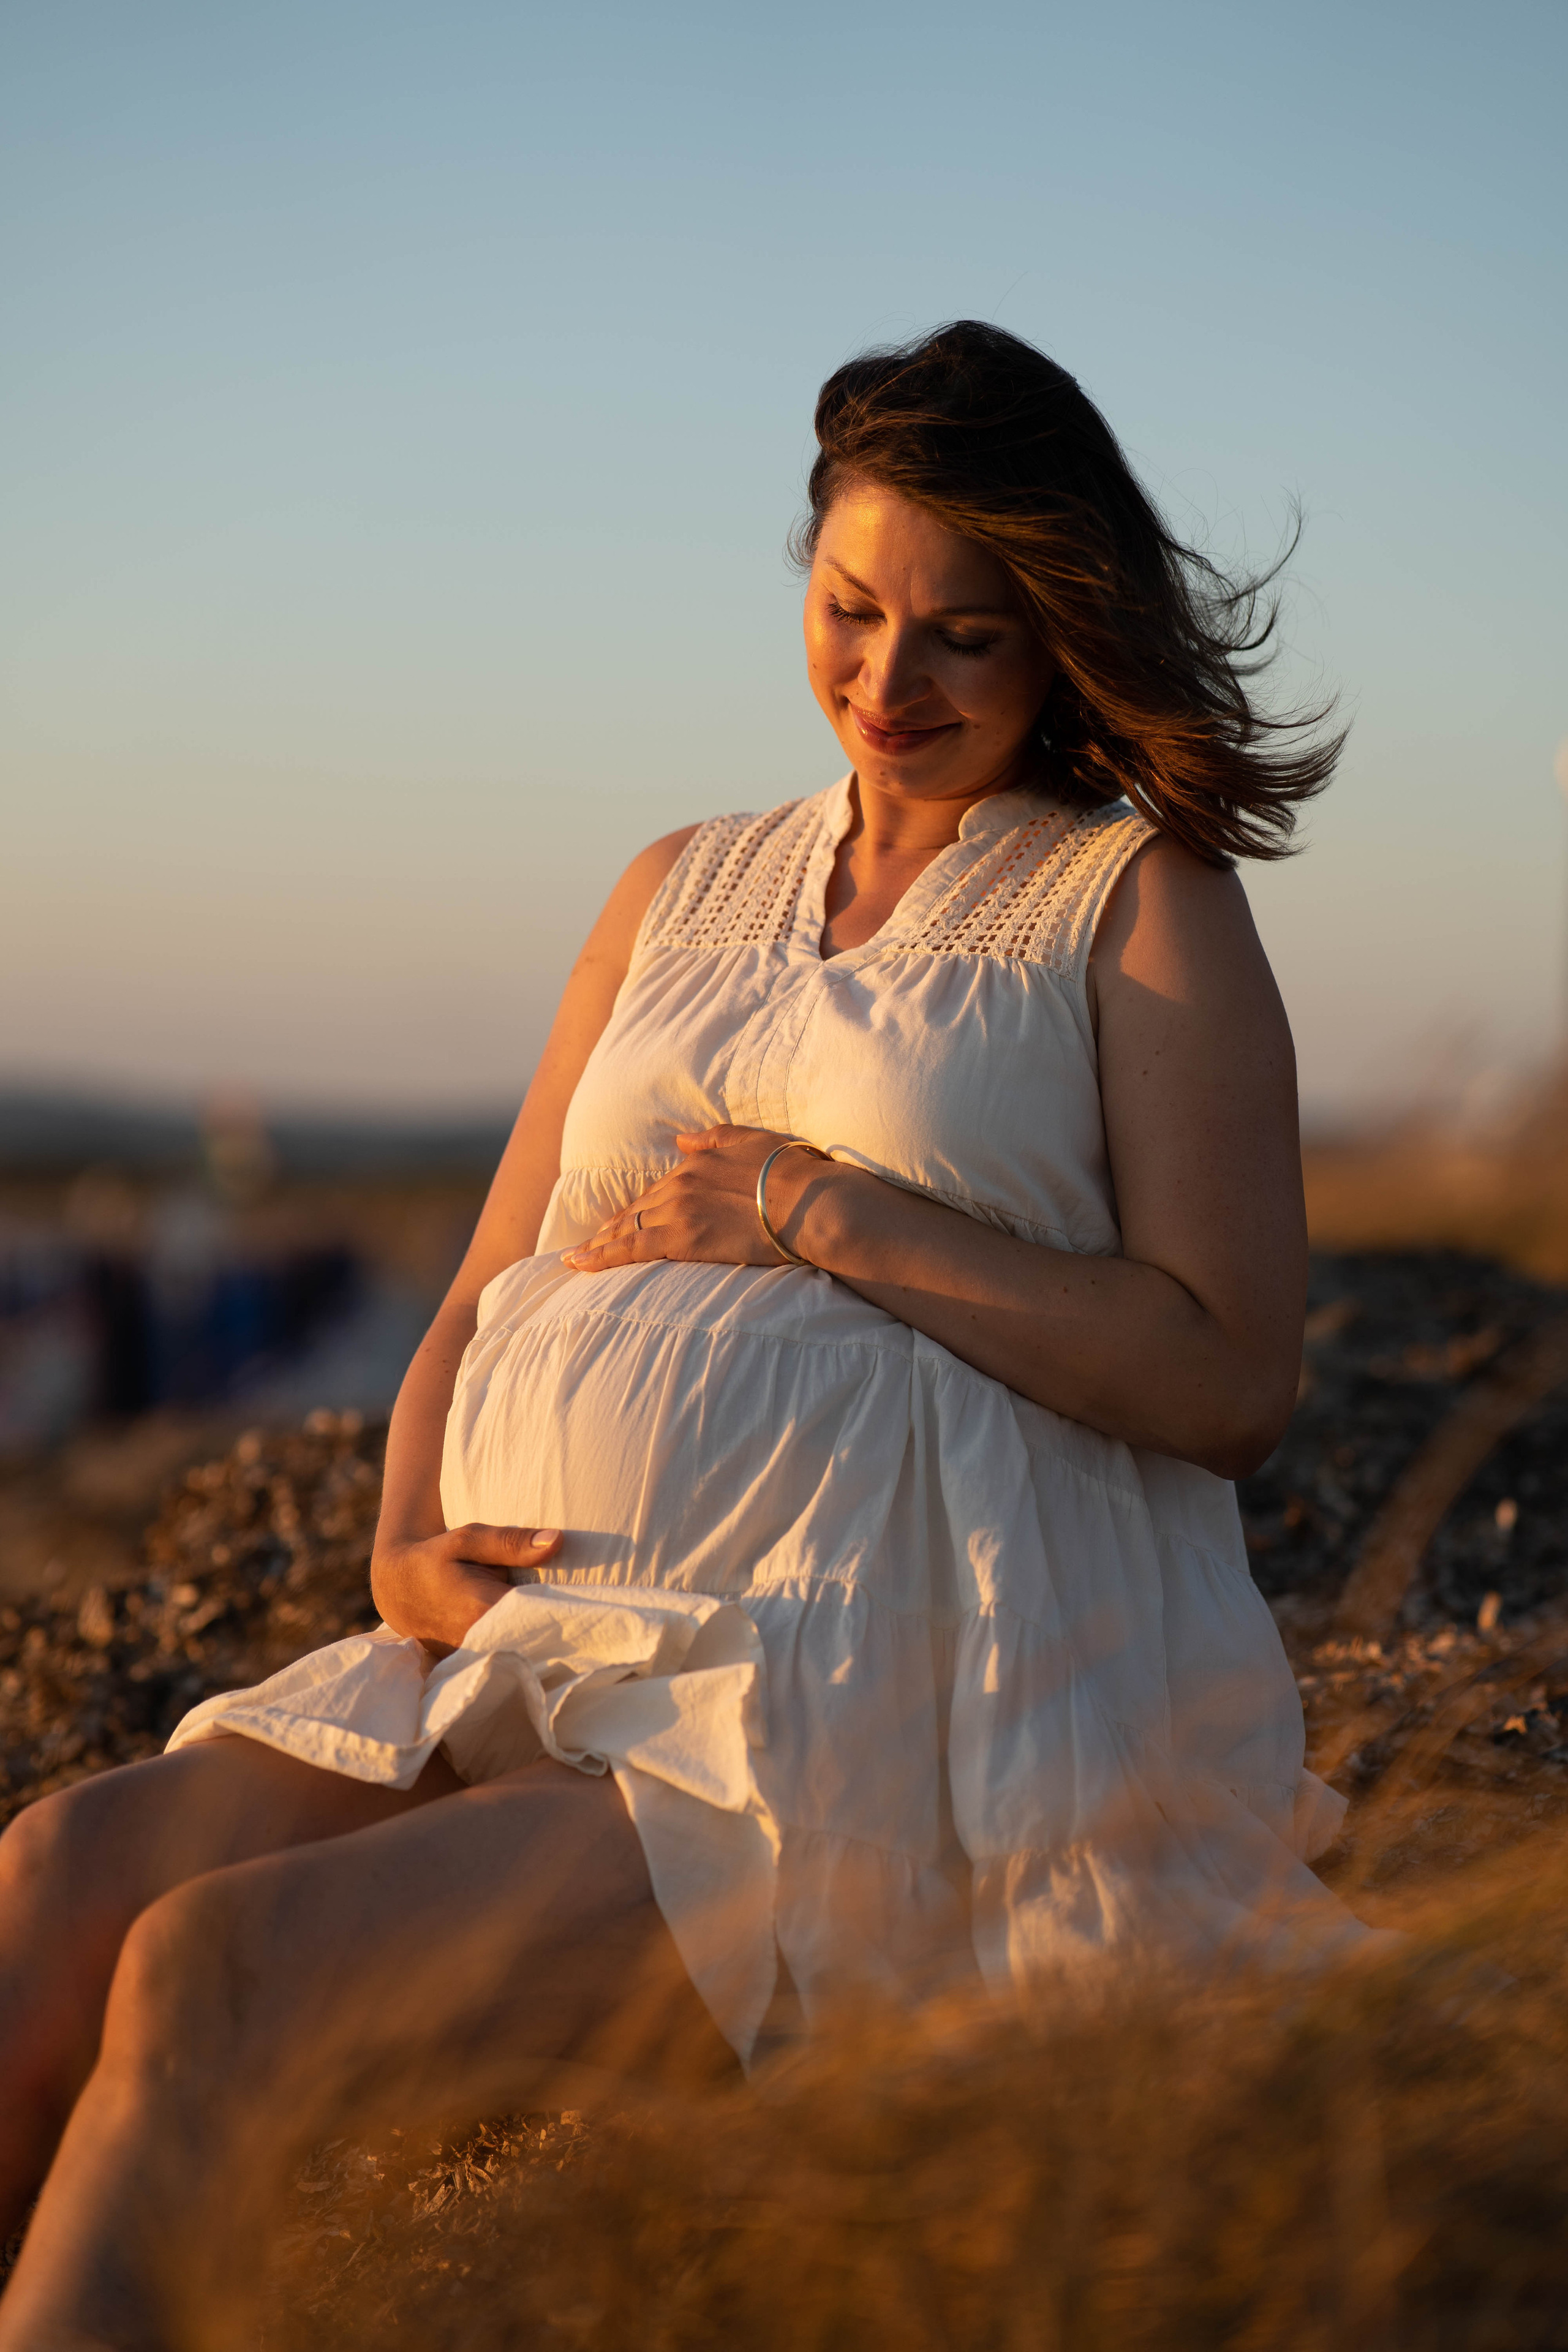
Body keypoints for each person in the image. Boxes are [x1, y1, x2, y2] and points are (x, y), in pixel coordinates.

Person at [0, 320, 1365, 2345]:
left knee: (215, 1975)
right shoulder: (679, 882)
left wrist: (821, 1210)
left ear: (1066, 634)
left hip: (831, 1700)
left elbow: (1232, 1374)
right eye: (851, 609)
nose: (889, 681)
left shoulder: (1132, 901)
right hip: (535, 1642)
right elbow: (493, 1277)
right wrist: (401, 1538)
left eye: (967, 636)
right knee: (51, 1876)